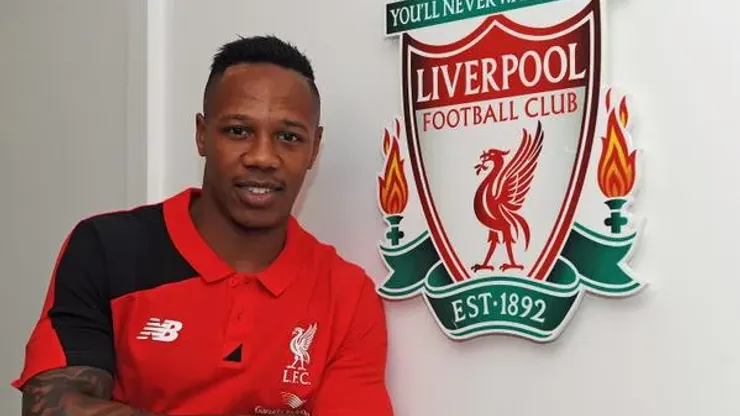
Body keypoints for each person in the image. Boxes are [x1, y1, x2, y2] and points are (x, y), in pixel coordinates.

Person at [12, 35, 394, 416]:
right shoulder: (107, 249)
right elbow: (54, 404)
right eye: (239, 131)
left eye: (289, 137)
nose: (263, 157)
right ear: (201, 134)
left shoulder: (346, 296)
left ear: (314, 148)